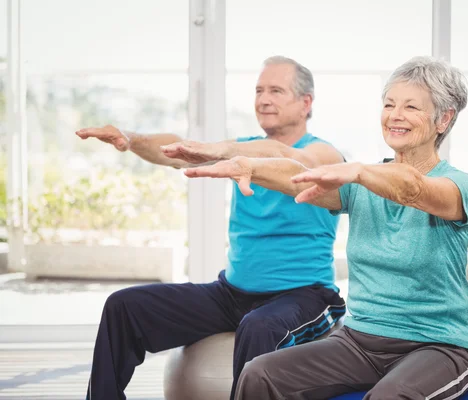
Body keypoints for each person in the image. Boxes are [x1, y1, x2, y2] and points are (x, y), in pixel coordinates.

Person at [180, 56, 468, 400]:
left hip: (439, 345)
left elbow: (413, 188)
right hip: (361, 340)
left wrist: (358, 171)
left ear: (443, 118)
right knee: (259, 374)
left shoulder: (458, 186)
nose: (395, 115)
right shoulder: (361, 182)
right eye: (389, 105)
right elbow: (298, 178)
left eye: (411, 107)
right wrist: (250, 165)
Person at [75, 56, 347, 400]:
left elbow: (295, 159)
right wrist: (130, 139)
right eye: (259, 90)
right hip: (231, 294)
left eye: (276, 91)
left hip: (304, 295)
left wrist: (225, 151)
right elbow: (176, 153)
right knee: (124, 306)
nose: (263, 99)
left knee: (259, 326)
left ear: (306, 103)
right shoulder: (241, 147)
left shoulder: (323, 153)